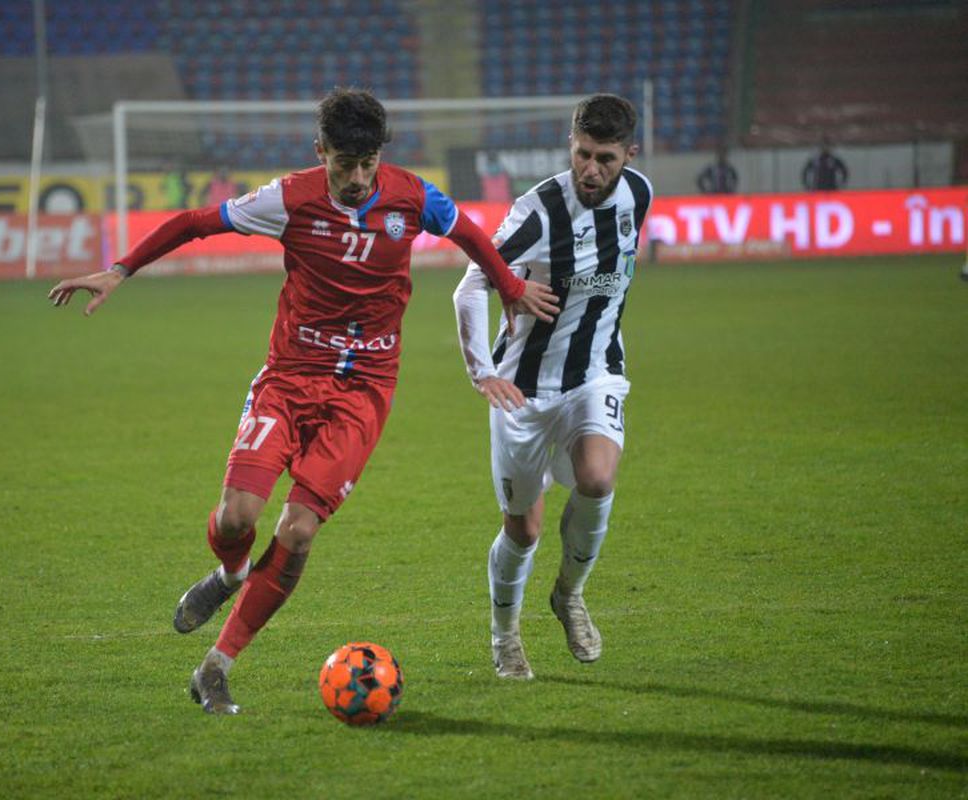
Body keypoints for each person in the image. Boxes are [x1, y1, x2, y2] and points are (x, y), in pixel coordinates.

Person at [48, 88, 559, 714]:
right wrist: (120, 270)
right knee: (237, 518)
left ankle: (216, 665)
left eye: (368, 161)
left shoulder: (412, 195)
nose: (357, 176)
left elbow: (470, 235)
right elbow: (193, 224)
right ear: (320, 152)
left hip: (364, 392)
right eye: (344, 162)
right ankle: (231, 573)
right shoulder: (288, 199)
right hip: (290, 377)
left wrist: (509, 288)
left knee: (298, 529)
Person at [452, 93, 653, 680]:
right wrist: (482, 370)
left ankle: (569, 594)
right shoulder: (535, 213)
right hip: (523, 390)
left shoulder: (638, 194)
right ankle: (505, 634)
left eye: (606, 158)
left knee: (597, 477)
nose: (592, 169)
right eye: (583, 153)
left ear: (628, 156)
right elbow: (469, 286)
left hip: (596, 371)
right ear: (571, 143)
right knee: (524, 528)